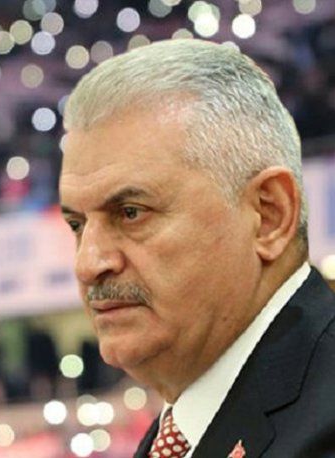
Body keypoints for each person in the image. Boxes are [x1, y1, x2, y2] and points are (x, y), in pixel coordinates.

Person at [58, 39, 335, 457]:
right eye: (77, 225)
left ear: (269, 215)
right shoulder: (182, 428)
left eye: (131, 213)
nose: (88, 263)